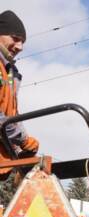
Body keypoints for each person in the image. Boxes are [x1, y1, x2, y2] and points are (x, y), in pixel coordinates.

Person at [0, 10, 39, 181]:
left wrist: (19, 148)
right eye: (15, 38)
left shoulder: (10, 72)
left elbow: (11, 115)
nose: (20, 47)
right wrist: (22, 140)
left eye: (22, 42)